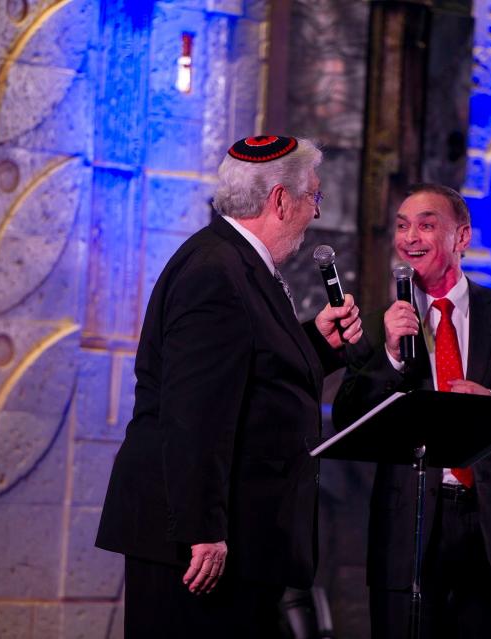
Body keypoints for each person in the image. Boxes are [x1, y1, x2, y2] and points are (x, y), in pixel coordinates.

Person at [96, 135, 363, 638]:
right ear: (280, 200)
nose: (314, 214)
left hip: (237, 539)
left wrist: (317, 344)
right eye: (313, 198)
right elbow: (194, 413)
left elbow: (249, 371)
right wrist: (203, 530)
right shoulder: (216, 272)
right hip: (199, 550)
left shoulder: (234, 261)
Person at [332, 183, 491, 639]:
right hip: (411, 523)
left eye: (426, 224)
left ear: (461, 238)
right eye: (402, 226)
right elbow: (347, 416)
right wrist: (390, 356)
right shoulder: (386, 323)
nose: (410, 237)